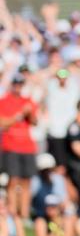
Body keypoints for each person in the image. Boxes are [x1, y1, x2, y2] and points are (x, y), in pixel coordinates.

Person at [0, 73, 39, 219]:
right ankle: (12, 212)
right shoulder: (3, 101)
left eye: (21, 84)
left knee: (26, 181)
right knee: (13, 180)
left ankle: (24, 214)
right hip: (11, 146)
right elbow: (2, 123)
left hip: (27, 146)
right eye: (16, 84)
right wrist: (18, 116)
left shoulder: (28, 101)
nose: (18, 87)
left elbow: (35, 122)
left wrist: (29, 114)